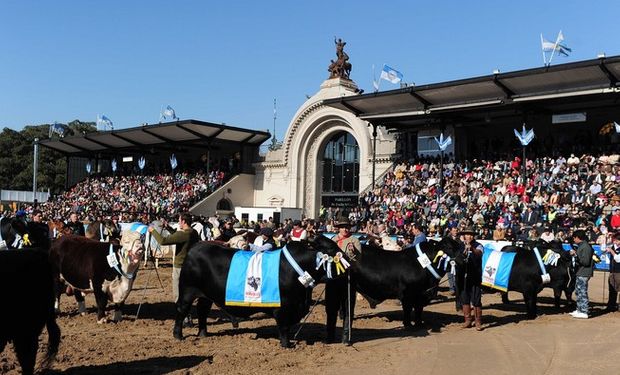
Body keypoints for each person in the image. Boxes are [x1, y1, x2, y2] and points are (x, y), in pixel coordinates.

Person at [148, 213, 200, 304]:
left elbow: (162, 241)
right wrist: (168, 228)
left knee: (178, 292)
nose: (179, 222)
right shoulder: (194, 232)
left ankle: (181, 312)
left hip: (180, 267)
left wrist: (153, 231)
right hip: (190, 266)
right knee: (187, 292)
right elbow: (177, 236)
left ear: (183, 221)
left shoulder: (182, 234)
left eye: (179, 221)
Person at [458, 227, 484, 331]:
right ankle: (467, 320)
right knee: (465, 298)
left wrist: (471, 249)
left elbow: (479, 254)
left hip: (475, 276)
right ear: (464, 236)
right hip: (463, 277)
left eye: (470, 234)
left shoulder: (479, 245)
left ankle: (478, 321)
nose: (469, 236)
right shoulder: (460, 246)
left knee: (476, 299)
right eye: (467, 234)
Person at [569, 230, 594, 319]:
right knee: (578, 291)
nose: (574, 240)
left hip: (584, 271)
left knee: (582, 291)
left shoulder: (586, 247)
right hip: (580, 271)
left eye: (574, 238)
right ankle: (579, 309)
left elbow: (586, 262)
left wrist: (576, 255)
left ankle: (584, 311)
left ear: (577, 237)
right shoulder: (582, 246)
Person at [605, 232, 620, 312]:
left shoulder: (614, 249)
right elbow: (604, 248)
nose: (615, 242)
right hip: (612, 271)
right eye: (614, 240)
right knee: (612, 290)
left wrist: (611, 251)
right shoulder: (613, 247)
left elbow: (618, 259)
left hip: (619, 272)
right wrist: (607, 238)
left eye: (617, 241)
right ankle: (611, 306)